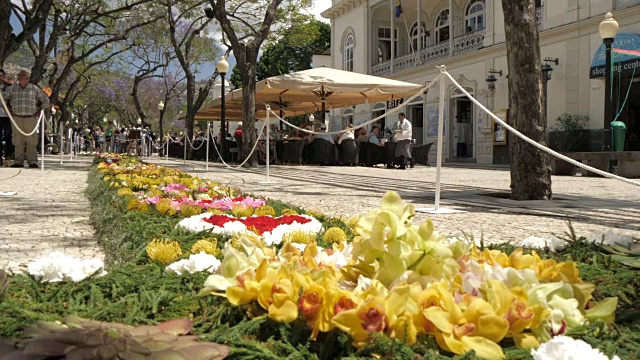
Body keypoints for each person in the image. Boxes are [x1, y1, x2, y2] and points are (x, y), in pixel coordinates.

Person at [2, 71, 50, 168]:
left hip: (31, 118)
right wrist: (8, 111)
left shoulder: (34, 88)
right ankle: (18, 161)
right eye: (19, 76)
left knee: (31, 140)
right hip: (16, 118)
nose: (20, 78)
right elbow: (3, 99)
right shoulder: (12, 88)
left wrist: (39, 110)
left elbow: (46, 100)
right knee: (17, 140)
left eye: (23, 76)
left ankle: (32, 161)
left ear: (27, 78)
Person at [0, 69, 14, 161]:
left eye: (1, 75)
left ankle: (9, 155)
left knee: (8, 135)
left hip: (8, 115)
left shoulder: (9, 87)